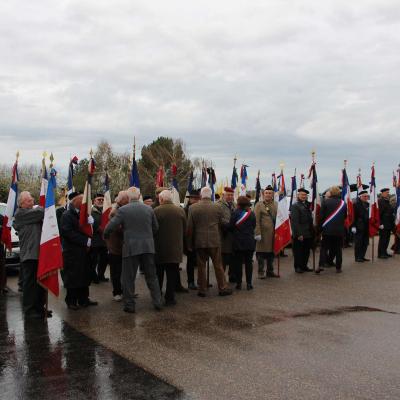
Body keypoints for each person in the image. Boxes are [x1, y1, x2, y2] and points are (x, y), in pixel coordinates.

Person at [104, 187, 162, 313]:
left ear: (128, 197)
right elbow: (156, 228)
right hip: (148, 246)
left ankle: (130, 305)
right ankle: (158, 302)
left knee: (128, 278)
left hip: (130, 247)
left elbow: (110, 226)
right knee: (152, 276)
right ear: (139, 195)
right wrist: (147, 237)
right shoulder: (149, 209)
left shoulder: (123, 210)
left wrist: (106, 235)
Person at [187, 187, 232, 297]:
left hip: (199, 240)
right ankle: (222, 288)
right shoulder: (217, 207)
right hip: (214, 240)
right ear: (211, 195)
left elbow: (190, 228)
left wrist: (189, 244)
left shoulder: (193, 208)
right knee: (218, 265)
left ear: (201, 196)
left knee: (201, 266)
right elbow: (223, 223)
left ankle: (202, 289)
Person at [13, 191, 49, 318]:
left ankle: (39, 307)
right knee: (30, 284)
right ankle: (29, 309)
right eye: (29, 200)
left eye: (32, 198)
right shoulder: (20, 214)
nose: (32, 201)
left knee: (40, 282)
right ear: (21, 204)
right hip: (30, 253)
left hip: (39, 253)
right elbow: (41, 212)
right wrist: (41, 206)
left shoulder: (30, 212)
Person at [61, 192, 98, 310]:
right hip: (72, 252)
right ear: (77, 203)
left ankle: (83, 299)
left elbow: (90, 229)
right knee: (73, 277)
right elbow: (67, 233)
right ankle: (71, 301)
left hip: (84, 251)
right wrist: (84, 240)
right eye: (84, 203)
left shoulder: (84, 214)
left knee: (85, 275)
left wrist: (92, 224)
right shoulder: (67, 215)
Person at [154, 190, 187, 306]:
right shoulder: (180, 210)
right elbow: (185, 228)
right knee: (172, 274)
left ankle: (157, 296)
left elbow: (152, 229)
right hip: (175, 248)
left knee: (159, 274)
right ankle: (170, 297)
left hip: (159, 248)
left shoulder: (156, 211)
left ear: (161, 199)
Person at [105, 191, 129, 301]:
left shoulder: (123, 209)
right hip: (116, 246)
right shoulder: (116, 212)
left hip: (122, 245)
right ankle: (117, 292)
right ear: (123, 200)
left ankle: (124, 290)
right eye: (127, 199)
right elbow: (116, 228)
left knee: (124, 271)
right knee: (116, 271)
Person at [318, 186, 347, 273]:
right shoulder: (343, 203)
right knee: (338, 249)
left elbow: (321, 217)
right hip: (339, 231)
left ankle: (321, 265)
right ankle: (338, 267)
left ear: (331, 193)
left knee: (324, 248)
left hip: (327, 230)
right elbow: (345, 216)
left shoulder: (325, 202)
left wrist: (319, 229)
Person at [230, 196, 256, 290]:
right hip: (249, 241)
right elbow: (254, 226)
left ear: (239, 204)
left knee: (238, 264)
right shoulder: (252, 214)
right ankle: (249, 284)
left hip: (238, 242)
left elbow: (231, 226)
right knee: (249, 263)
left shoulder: (235, 213)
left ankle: (239, 283)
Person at [254, 186, 279, 279]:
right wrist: (257, 233)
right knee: (261, 253)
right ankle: (261, 272)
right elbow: (256, 220)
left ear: (272, 195)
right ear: (263, 194)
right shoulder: (259, 205)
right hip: (263, 234)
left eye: (270, 193)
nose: (268, 195)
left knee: (271, 253)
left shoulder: (276, 204)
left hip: (273, 234)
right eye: (266, 193)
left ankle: (270, 271)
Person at [290, 188, 314, 273]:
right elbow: (295, 221)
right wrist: (299, 234)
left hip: (308, 232)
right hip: (300, 233)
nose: (303, 196)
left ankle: (304, 266)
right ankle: (298, 267)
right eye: (302, 195)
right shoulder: (295, 206)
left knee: (306, 251)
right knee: (298, 251)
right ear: (298, 195)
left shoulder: (307, 205)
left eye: (305, 195)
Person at [217, 187, 236, 282]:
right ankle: (222, 279)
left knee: (233, 258)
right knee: (223, 258)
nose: (230, 197)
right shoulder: (218, 205)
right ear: (223, 195)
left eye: (232, 195)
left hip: (233, 236)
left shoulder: (234, 205)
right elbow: (218, 218)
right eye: (228, 195)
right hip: (223, 235)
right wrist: (229, 224)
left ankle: (232, 276)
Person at [90, 193, 109, 283]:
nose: (101, 201)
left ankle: (101, 275)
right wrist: (98, 229)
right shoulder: (90, 211)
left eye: (102, 199)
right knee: (93, 260)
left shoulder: (106, 210)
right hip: (95, 240)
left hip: (105, 240)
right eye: (99, 199)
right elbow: (89, 224)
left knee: (104, 259)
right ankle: (93, 277)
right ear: (94, 201)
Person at [184, 189, 201, 290]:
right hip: (189, 239)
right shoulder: (185, 210)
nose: (194, 200)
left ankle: (201, 280)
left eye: (196, 198)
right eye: (192, 198)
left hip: (200, 238)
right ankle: (190, 281)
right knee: (190, 262)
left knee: (201, 262)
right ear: (189, 199)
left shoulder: (200, 209)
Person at [352, 190, 370, 262]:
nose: (366, 197)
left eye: (367, 196)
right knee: (359, 242)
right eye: (364, 196)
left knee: (365, 242)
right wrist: (353, 226)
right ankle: (358, 257)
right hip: (359, 226)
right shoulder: (356, 204)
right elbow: (353, 216)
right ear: (360, 197)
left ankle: (362, 256)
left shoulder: (368, 204)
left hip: (367, 226)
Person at [378, 188, 395, 259]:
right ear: (382, 193)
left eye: (388, 192)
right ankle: (381, 254)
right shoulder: (380, 201)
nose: (388, 193)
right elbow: (379, 213)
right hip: (383, 224)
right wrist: (380, 223)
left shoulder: (387, 201)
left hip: (388, 223)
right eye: (386, 192)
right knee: (383, 239)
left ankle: (384, 252)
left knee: (387, 239)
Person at [0, 213, 7, 295]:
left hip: (0, 245)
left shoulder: (1, 218)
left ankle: (2, 286)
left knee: (2, 266)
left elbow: (5, 230)